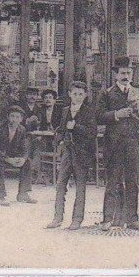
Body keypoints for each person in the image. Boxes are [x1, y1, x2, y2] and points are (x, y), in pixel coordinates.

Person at [97, 56, 139, 231]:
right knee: (112, 182)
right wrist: (116, 114)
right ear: (116, 75)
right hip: (114, 144)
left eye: (128, 73)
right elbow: (98, 116)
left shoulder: (138, 92)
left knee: (132, 182)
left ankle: (132, 219)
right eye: (122, 73)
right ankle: (108, 219)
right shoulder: (107, 93)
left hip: (134, 143)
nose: (126, 76)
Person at [47, 81, 97, 230]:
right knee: (60, 185)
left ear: (85, 95)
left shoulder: (89, 111)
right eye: (75, 94)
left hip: (82, 154)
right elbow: (61, 129)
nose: (78, 97)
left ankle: (77, 219)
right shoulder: (65, 110)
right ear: (70, 94)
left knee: (80, 187)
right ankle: (57, 217)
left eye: (81, 94)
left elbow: (92, 132)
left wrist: (76, 127)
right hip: (67, 152)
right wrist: (60, 141)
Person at [0, 105, 35, 206]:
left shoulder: (22, 129)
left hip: (11, 156)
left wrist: (23, 158)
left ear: (21, 119)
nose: (14, 120)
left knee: (27, 162)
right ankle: (0, 196)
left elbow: (25, 147)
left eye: (17, 117)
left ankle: (23, 194)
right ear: (8, 117)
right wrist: (8, 159)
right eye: (12, 116)